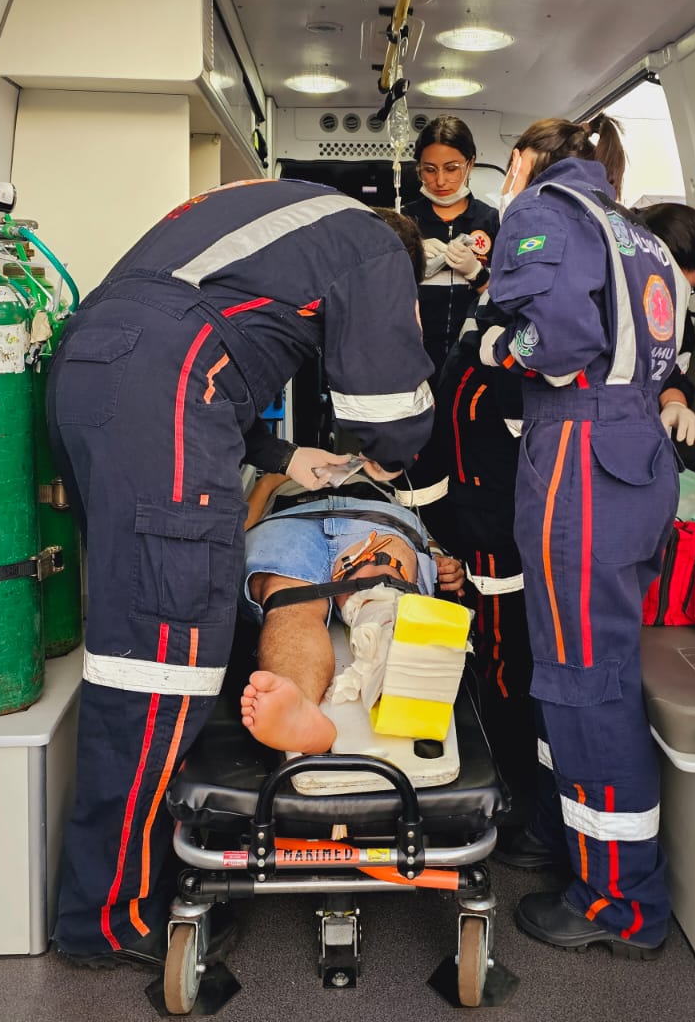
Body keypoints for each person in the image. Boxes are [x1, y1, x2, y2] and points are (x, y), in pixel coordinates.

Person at [45, 179, 433, 970]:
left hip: (94, 371)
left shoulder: (279, 217)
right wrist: (391, 465)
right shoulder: (370, 243)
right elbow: (390, 411)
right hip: (171, 386)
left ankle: (117, 886)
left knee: (136, 634)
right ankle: (110, 919)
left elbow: (199, 329)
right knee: (163, 656)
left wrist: (288, 458)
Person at [482, 114, 691, 958]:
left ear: (528, 160)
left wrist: (497, 343)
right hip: (635, 453)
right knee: (587, 665)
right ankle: (567, 840)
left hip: (579, 457)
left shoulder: (541, 212)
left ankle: (619, 902)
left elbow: (558, 345)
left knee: (581, 679)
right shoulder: (641, 235)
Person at [237, 488, 467, 753]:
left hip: (367, 518)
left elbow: (428, 527)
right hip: (301, 521)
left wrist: (440, 559)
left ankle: (301, 696)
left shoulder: (379, 473)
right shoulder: (276, 474)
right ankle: (299, 706)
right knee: (365, 582)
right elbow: (238, 523)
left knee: (295, 600)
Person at [404, 115, 501, 371]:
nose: (440, 181)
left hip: (473, 356)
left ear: (470, 164)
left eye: (451, 168)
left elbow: (505, 301)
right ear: (418, 168)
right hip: (413, 356)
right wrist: (410, 261)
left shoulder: (490, 220)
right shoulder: (405, 220)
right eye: (429, 169)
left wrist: (477, 274)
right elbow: (380, 294)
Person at [634, 202, 695, 449]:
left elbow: (667, 371)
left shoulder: (678, 325)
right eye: (675, 287)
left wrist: (676, 405)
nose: (676, 301)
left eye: (688, 290)